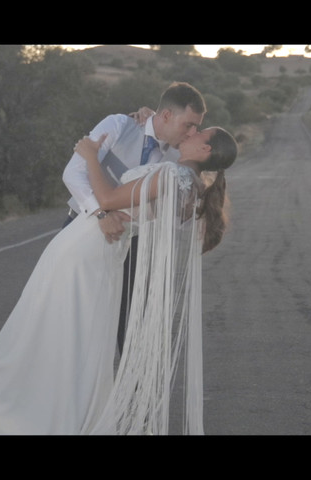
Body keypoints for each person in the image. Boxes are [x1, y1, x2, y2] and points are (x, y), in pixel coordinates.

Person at [0, 124, 238, 435]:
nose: (190, 134)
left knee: (43, 321)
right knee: (78, 337)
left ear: (206, 151)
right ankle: (59, 411)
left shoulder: (172, 176)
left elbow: (107, 199)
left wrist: (91, 156)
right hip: (106, 252)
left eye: (199, 134)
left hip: (85, 246)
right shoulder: (192, 186)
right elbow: (139, 209)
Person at [62, 82, 206, 354]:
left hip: (133, 242)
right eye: (188, 125)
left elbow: (173, 217)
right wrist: (101, 214)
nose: (192, 133)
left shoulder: (179, 157)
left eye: (196, 127)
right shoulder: (119, 124)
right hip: (81, 230)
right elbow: (73, 173)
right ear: (166, 115)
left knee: (128, 320)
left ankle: (133, 390)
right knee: (70, 313)